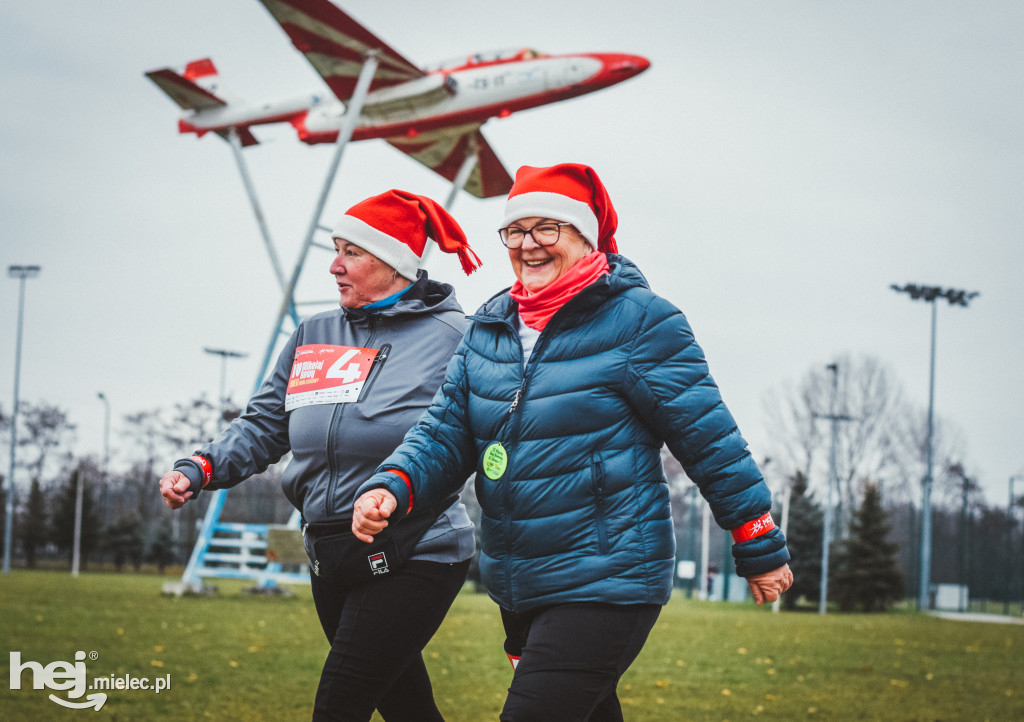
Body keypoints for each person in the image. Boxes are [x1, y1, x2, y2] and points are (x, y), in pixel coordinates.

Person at [352, 163, 794, 721]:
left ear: (588, 239)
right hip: (519, 583)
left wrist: (757, 537)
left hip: (607, 579)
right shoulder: (490, 327)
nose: (528, 245)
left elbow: (709, 437)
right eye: (516, 231)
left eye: (547, 229)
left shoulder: (640, 322)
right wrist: (395, 484)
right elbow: (443, 431)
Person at [159, 190, 482, 722]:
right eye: (336, 249)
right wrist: (203, 467)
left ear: (397, 261)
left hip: (416, 548)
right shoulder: (315, 333)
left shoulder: (456, 338)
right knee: (405, 706)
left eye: (352, 252)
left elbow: (472, 436)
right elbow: (265, 423)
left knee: (339, 704)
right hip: (329, 549)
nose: (334, 265)